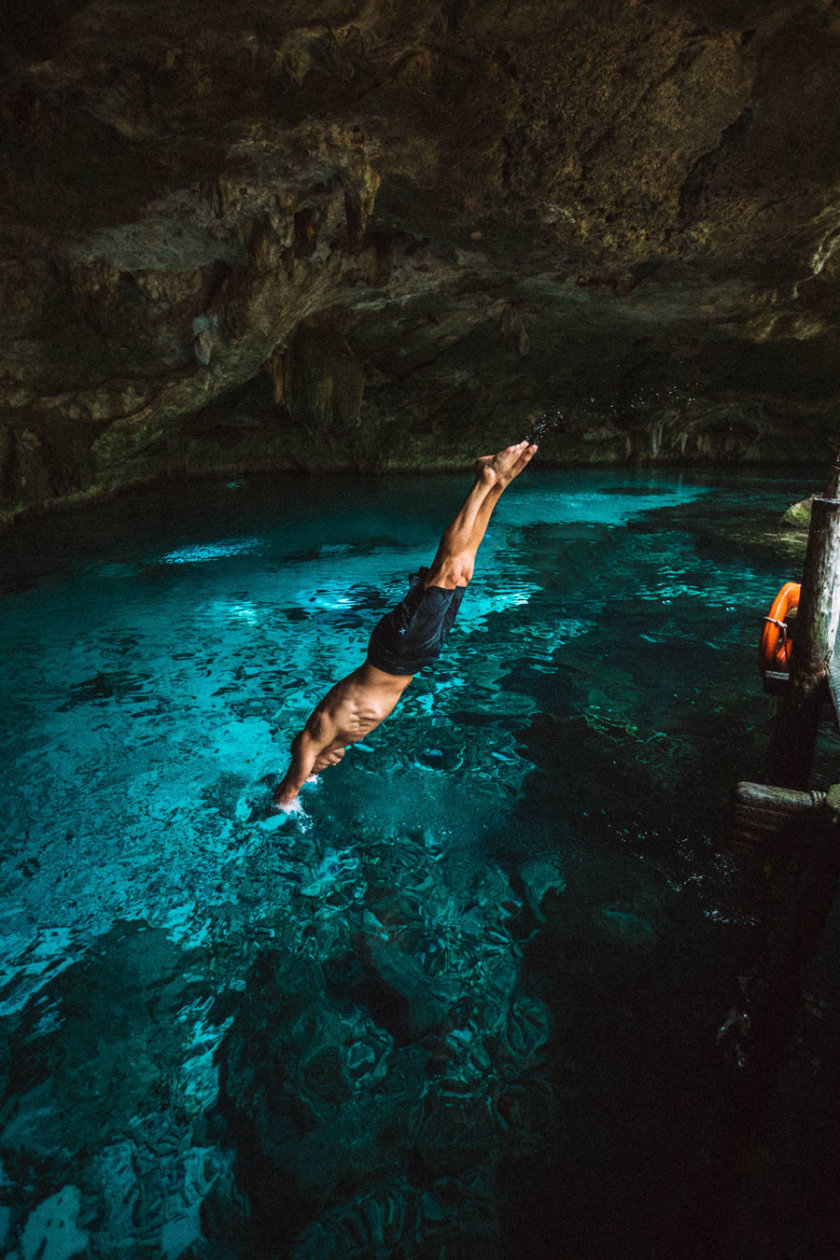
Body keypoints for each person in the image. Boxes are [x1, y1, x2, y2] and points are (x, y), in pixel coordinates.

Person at [273, 440, 538, 808]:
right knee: (462, 572)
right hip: (410, 655)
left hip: (397, 651)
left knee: (446, 569)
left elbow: (287, 792)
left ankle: (484, 479)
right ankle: (499, 484)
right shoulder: (335, 740)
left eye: (321, 768)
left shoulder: (312, 739)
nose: (332, 764)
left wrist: (290, 798)